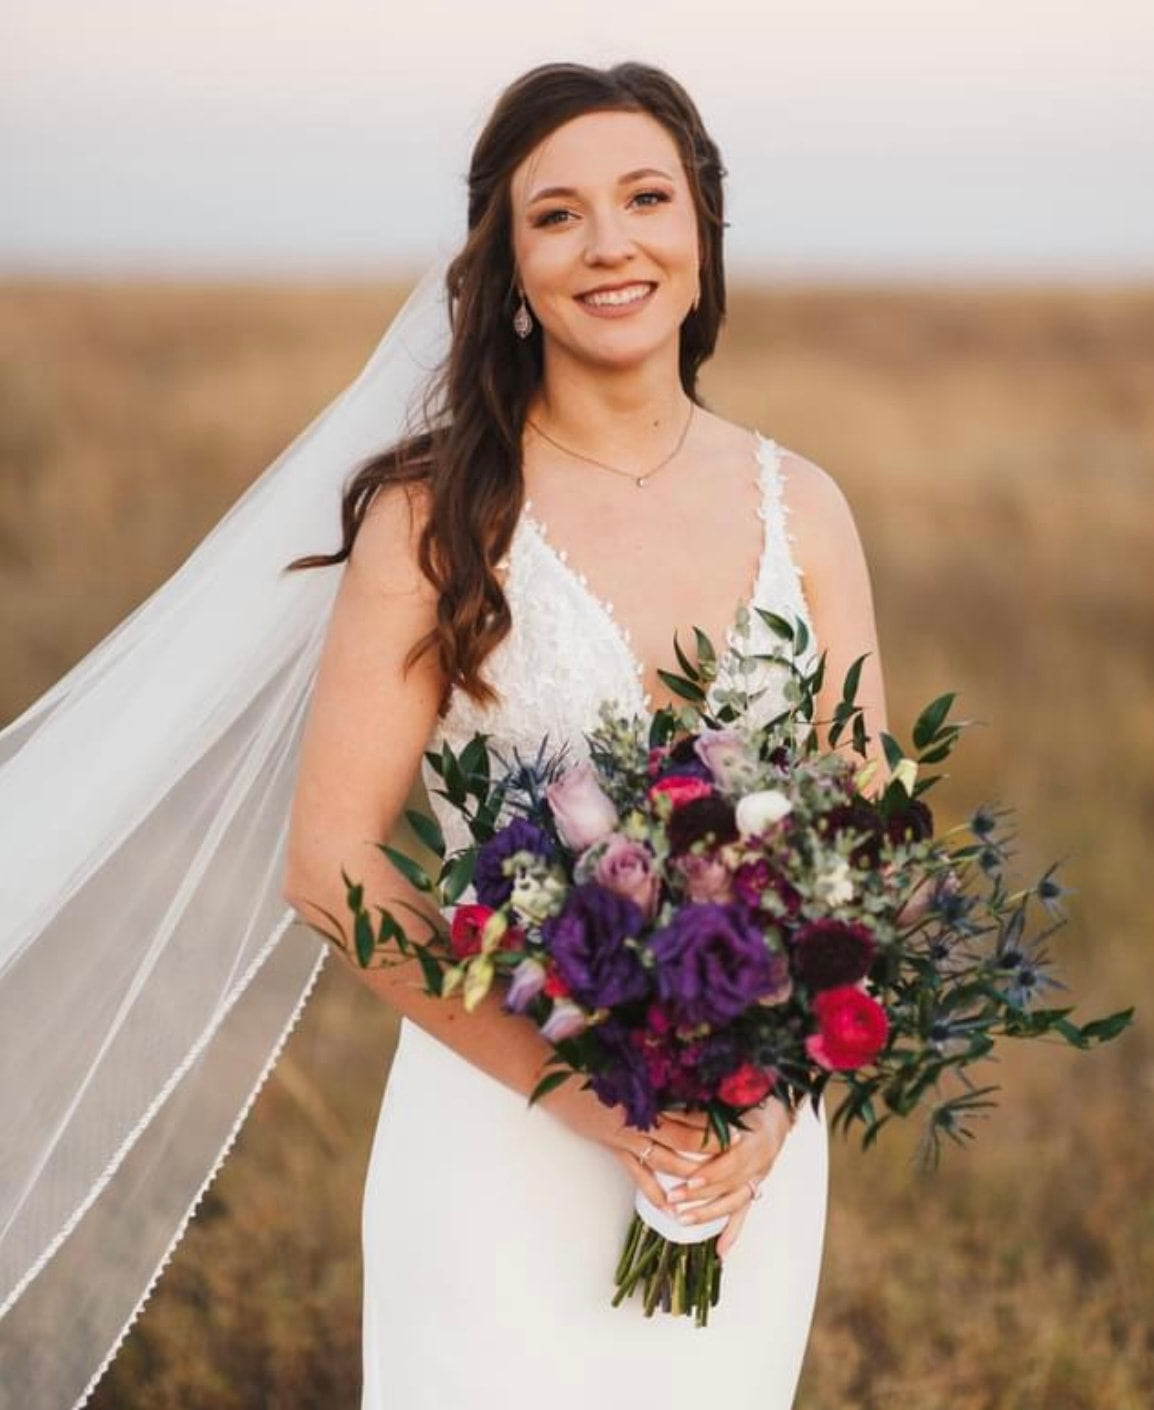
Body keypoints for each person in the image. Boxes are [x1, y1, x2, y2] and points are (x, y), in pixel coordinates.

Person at [281, 61, 888, 1409]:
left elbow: (861, 853)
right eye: (556, 215)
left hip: (739, 1168)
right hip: (499, 1138)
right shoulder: (436, 517)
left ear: (701, 231)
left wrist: (770, 1108)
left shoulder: (808, 506)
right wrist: (579, 1095)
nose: (609, 243)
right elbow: (330, 864)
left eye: (645, 198)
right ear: (506, 266)